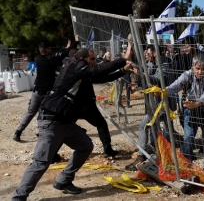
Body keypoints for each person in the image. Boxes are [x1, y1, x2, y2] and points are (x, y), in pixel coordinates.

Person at [11, 48, 132, 200]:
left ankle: (64, 180)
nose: (95, 62)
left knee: (85, 146)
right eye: (92, 59)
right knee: (41, 163)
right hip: (52, 120)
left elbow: (99, 77)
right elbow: (98, 70)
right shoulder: (75, 66)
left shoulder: (81, 72)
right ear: (83, 59)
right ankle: (18, 197)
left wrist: (122, 70)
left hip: (65, 121)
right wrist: (123, 59)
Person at [13, 38, 77, 142]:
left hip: (36, 92)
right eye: (49, 48)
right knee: (47, 114)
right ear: (47, 49)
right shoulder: (51, 60)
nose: (51, 50)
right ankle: (44, 132)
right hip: (46, 94)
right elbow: (62, 54)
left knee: (31, 112)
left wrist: (66, 47)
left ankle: (18, 132)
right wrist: (72, 45)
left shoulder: (38, 60)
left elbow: (58, 54)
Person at [164, 54, 204, 171]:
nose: (200, 72)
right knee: (188, 139)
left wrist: (198, 103)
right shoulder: (187, 75)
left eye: (203, 69)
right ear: (193, 67)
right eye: (197, 68)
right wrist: (163, 91)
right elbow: (175, 86)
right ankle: (186, 166)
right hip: (190, 111)